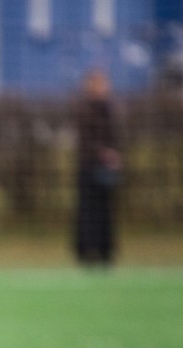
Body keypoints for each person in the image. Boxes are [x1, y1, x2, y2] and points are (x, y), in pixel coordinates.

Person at [74, 69, 122, 268]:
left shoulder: (109, 110)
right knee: (88, 212)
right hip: (89, 168)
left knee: (105, 213)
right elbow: (85, 141)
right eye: (99, 84)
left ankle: (105, 251)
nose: (104, 88)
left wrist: (116, 155)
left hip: (106, 170)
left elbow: (116, 137)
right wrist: (102, 153)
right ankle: (87, 251)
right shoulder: (85, 110)